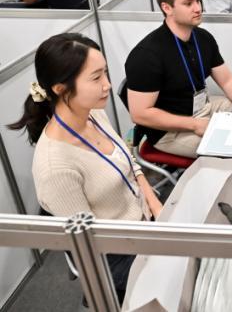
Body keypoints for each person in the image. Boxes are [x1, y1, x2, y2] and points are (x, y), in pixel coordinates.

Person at [8, 33, 163, 303]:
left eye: (105, 73)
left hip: (143, 221)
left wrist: (156, 206)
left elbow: (130, 162)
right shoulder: (55, 167)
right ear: (60, 88)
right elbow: (90, 243)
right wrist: (155, 245)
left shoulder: (93, 113)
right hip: (116, 253)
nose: (108, 85)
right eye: (96, 78)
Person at [124, 0, 232, 158]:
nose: (198, 8)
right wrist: (194, 124)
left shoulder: (203, 38)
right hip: (171, 131)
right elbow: (140, 114)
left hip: (203, 108)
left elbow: (228, 81)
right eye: (188, 4)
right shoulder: (146, 55)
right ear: (167, 8)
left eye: (198, 0)